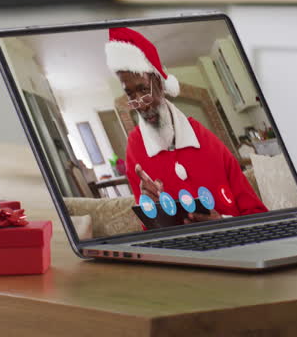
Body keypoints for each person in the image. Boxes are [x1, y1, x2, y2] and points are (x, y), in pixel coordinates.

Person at [105, 27, 266, 225]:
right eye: (130, 95)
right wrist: (153, 210)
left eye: (144, 89)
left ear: (160, 83)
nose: (141, 105)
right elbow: (149, 228)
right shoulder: (135, 148)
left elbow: (257, 213)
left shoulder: (204, 138)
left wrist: (224, 223)